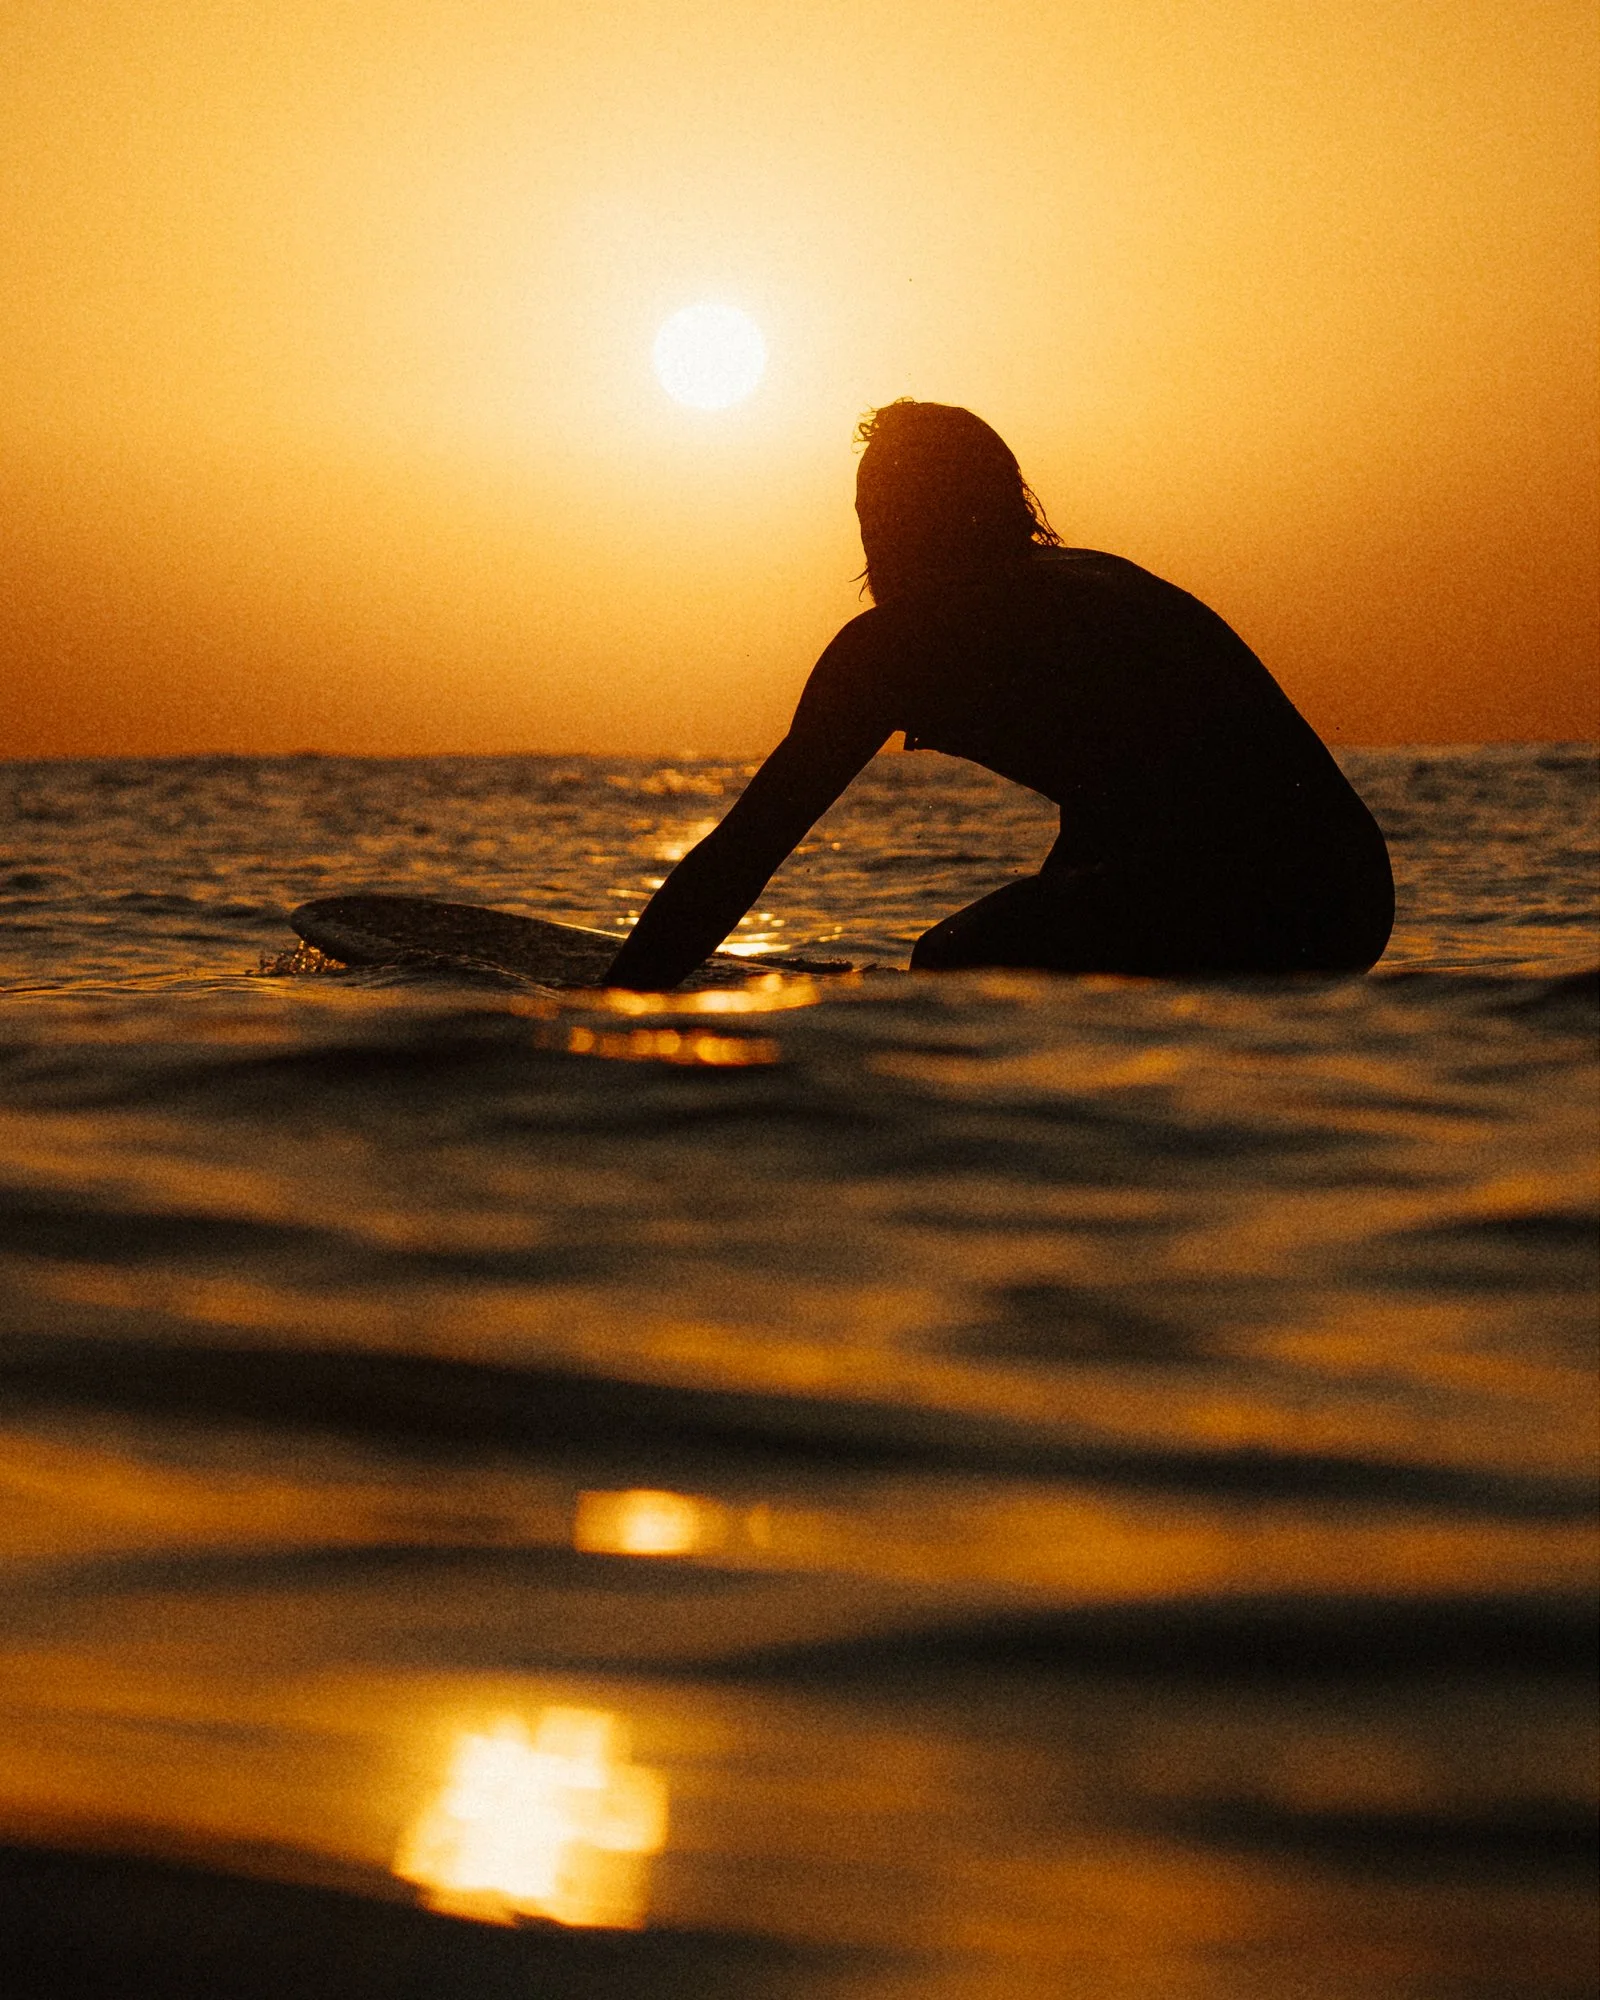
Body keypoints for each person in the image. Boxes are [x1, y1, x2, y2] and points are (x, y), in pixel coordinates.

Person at [605, 399, 1393, 990]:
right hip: (1352, 895)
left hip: (1252, 890)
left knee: (955, 961)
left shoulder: (897, 648)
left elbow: (743, 854)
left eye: (886, 516)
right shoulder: (1101, 583)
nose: (873, 540)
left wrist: (613, 1010)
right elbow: (1136, 787)